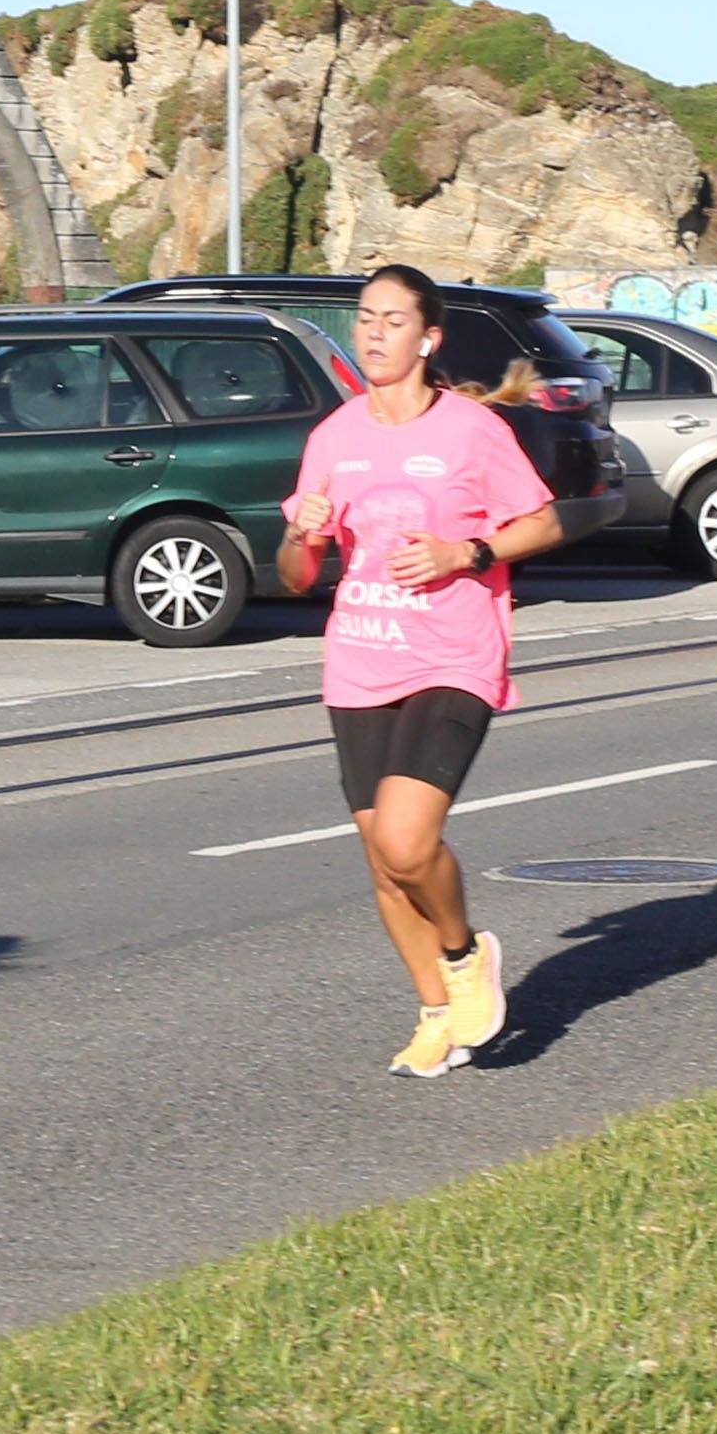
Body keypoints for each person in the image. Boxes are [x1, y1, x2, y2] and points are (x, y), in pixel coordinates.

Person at [278, 264, 568, 1078]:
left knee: (409, 842)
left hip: (454, 652)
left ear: (427, 338)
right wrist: (301, 536)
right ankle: (436, 1013)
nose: (374, 333)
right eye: (365, 319)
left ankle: (463, 953)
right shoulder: (333, 438)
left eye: (393, 320)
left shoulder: (470, 431)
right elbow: (298, 576)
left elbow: (542, 522)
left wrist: (464, 552)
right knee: (380, 861)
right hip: (360, 659)